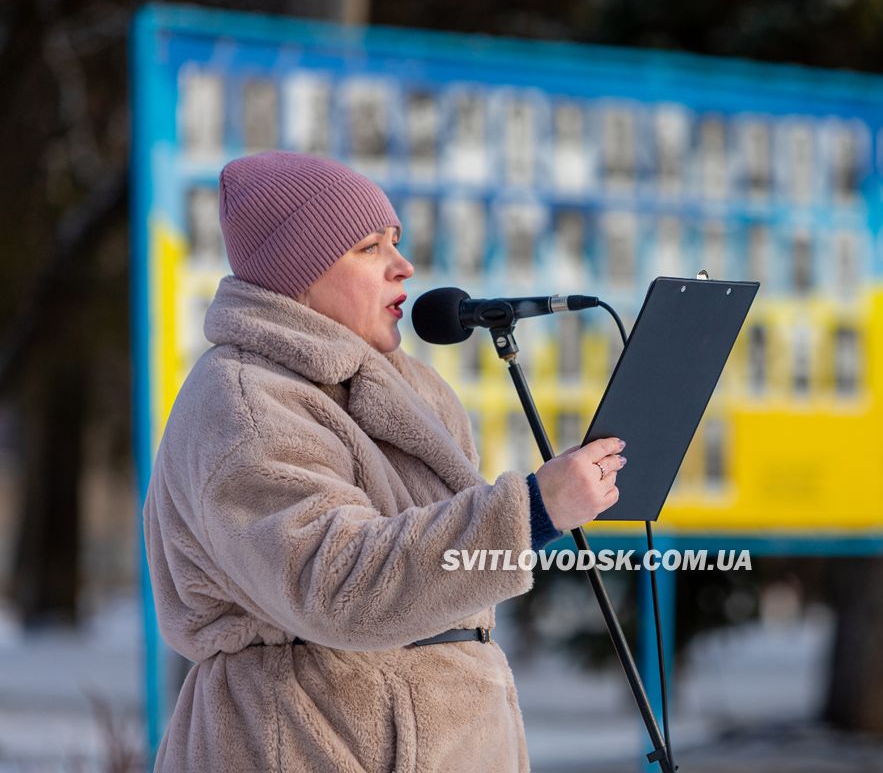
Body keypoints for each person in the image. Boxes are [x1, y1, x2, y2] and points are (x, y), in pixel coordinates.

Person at [143, 151, 626, 772]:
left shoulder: (416, 390)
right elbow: (336, 584)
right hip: (307, 739)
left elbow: (446, 580)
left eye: (395, 242)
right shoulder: (244, 403)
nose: (404, 266)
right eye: (370, 247)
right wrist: (530, 512)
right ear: (299, 272)